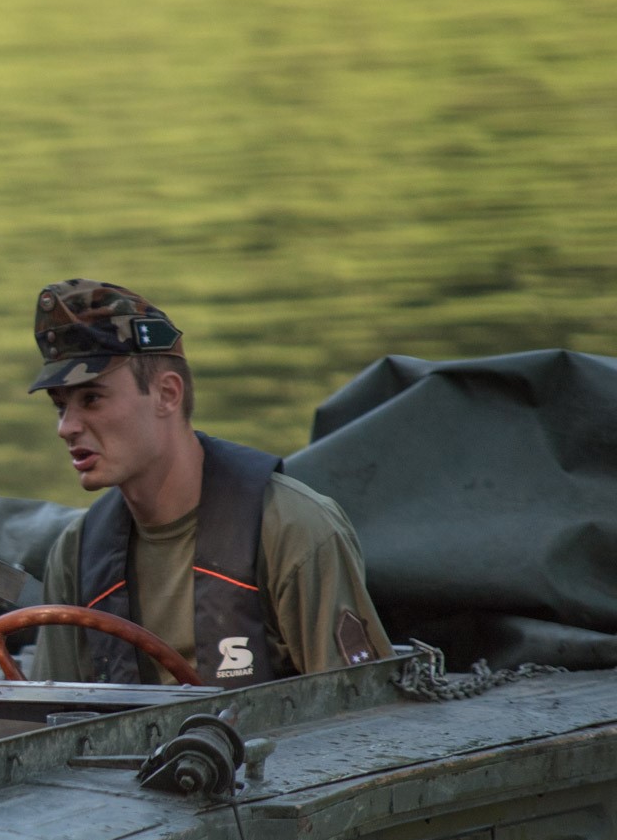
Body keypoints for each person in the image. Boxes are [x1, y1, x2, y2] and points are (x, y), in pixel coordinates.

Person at [25, 279, 392, 687]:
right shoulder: (76, 554)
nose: (66, 427)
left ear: (167, 394)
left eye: (91, 399)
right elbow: (51, 713)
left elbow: (360, 711)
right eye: (60, 406)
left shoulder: (292, 530)